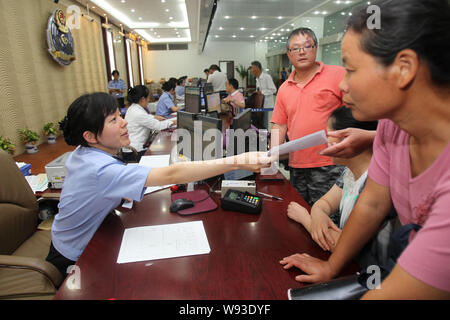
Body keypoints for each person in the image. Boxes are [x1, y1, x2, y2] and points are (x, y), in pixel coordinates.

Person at [280, 0, 450, 299]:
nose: (342, 86)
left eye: (351, 69)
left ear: (403, 69)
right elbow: (372, 202)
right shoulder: (390, 127)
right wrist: (332, 267)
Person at [46, 92, 272, 278]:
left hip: (79, 236)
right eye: (113, 120)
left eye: (119, 115)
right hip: (75, 255)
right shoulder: (100, 170)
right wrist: (238, 161)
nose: (124, 122)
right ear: (90, 136)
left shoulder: (84, 152)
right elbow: (173, 174)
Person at [270, 28, 346, 207]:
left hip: (331, 163)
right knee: (301, 214)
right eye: (295, 48)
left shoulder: (338, 75)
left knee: (328, 219)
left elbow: (356, 114)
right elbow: (279, 126)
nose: (302, 52)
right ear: (288, 54)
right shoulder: (284, 88)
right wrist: (270, 159)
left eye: (307, 46)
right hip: (297, 166)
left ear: (316, 48)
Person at [287, 106, 378, 253]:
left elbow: (344, 247)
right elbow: (325, 203)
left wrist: (306, 219)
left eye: (328, 135)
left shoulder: (374, 183)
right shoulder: (349, 172)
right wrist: (317, 212)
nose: (325, 142)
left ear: (350, 138)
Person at [123, 85, 176, 162]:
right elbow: (158, 126)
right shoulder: (138, 112)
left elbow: (145, 118)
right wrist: (174, 122)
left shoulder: (133, 108)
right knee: (165, 153)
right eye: (148, 98)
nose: (148, 100)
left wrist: (154, 117)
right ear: (142, 99)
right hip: (134, 153)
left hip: (131, 149)